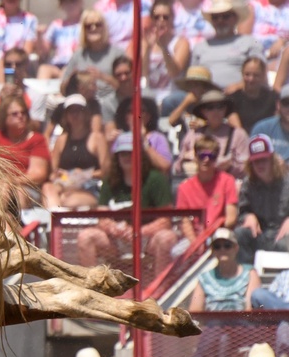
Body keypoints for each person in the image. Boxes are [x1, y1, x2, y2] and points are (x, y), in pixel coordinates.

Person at [82, 134, 176, 277]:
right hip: (118, 239)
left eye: (131, 153)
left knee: (167, 238)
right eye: (122, 154)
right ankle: (89, 290)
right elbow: (102, 217)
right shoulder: (110, 180)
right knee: (86, 237)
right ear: (117, 157)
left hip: (147, 238)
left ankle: (160, 292)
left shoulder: (156, 179)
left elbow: (166, 220)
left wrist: (139, 232)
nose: (127, 157)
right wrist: (114, 229)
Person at [42, 94, 109, 210]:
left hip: (89, 186)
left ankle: (57, 214)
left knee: (68, 201)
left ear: (85, 113)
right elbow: (53, 172)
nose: (75, 115)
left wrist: (84, 174)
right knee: (48, 188)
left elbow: (106, 170)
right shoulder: (61, 140)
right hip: (65, 183)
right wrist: (61, 175)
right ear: (66, 115)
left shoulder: (97, 138)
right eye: (71, 111)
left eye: (79, 111)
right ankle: (54, 216)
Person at [0, 94, 51, 207]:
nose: (20, 116)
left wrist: (11, 181)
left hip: (27, 188)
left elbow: (38, 174)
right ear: (4, 117)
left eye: (23, 112)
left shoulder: (36, 140)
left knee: (19, 193)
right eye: (15, 114)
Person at [60, 9, 126, 118]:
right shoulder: (78, 55)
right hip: (83, 106)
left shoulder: (117, 54)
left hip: (111, 104)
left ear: (104, 27)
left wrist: (102, 77)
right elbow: (63, 89)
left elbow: (125, 89)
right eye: (88, 25)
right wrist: (73, 77)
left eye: (98, 24)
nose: (93, 28)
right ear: (83, 30)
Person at [235, 134, 289, 262]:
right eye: (256, 161)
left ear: (272, 159)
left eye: (264, 160)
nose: (260, 165)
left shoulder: (287, 180)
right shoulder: (249, 183)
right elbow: (243, 210)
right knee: (239, 234)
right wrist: (248, 216)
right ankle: (248, 276)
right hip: (261, 232)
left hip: (283, 233)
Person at [189, 0, 262, 92]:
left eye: (225, 16)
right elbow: (192, 80)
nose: (220, 21)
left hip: (241, 94)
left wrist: (240, 85)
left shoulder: (250, 42)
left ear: (235, 18)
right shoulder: (200, 47)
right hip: (207, 96)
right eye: (215, 17)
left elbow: (261, 74)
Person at [176, 135, 240, 240]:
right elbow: (185, 222)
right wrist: (196, 244)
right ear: (196, 157)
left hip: (220, 236)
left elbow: (231, 218)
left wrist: (214, 238)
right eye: (202, 156)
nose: (206, 160)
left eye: (211, 156)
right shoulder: (184, 188)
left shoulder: (227, 181)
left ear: (216, 158)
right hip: (193, 239)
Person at [175, 90, 250, 179]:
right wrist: (186, 160)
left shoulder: (238, 134)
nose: (215, 111)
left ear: (225, 109)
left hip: (229, 185)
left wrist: (231, 166)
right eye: (210, 107)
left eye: (220, 107)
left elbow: (247, 168)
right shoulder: (193, 135)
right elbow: (177, 167)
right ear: (203, 111)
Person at [189, 227, 260, 311]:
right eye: (217, 246)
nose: (222, 249)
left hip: (241, 323)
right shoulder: (204, 278)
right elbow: (195, 311)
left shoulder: (249, 273)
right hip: (212, 323)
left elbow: (250, 310)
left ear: (236, 248)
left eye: (227, 245)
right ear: (212, 251)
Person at [142, 0, 191, 108]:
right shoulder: (146, 43)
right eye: (157, 17)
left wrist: (164, 48)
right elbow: (143, 74)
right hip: (151, 99)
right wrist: (149, 48)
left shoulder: (181, 43)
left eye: (165, 17)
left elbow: (174, 72)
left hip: (172, 99)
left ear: (172, 18)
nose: (161, 21)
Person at [229, 57, 278, 134]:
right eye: (247, 74)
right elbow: (237, 130)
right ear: (242, 74)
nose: (251, 79)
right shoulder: (232, 99)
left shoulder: (273, 97)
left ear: (263, 75)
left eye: (256, 75)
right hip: (244, 140)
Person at [249, 84, 289, 159]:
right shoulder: (262, 129)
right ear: (278, 105)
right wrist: (275, 165)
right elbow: (255, 161)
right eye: (286, 103)